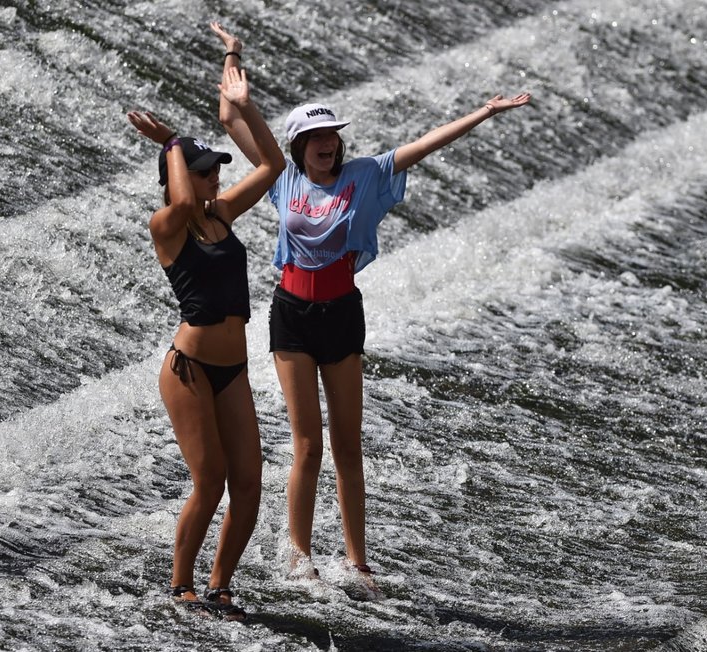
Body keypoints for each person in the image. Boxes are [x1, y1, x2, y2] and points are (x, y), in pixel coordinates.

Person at [211, 21, 530, 593]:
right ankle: (299, 554)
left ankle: (358, 563)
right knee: (307, 445)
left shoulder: (365, 175)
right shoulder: (280, 179)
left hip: (341, 314)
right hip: (290, 316)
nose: (329, 141)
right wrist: (233, 57)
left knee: (348, 445)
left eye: (333, 133)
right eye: (317, 136)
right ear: (299, 146)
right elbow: (234, 119)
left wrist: (484, 112)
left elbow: (426, 145)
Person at [126, 62, 285, 619]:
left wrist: (244, 106)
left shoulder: (221, 214)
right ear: (178, 179)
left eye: (215, 168)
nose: (215, 176)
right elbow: (183, 203)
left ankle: (221, 586)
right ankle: (180, 584)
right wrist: (170, 141)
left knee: (248, 483)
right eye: (203, 170)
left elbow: (273, 164)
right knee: (211, 481)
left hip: (232, 371)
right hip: (189, 369)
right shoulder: (166, 226)